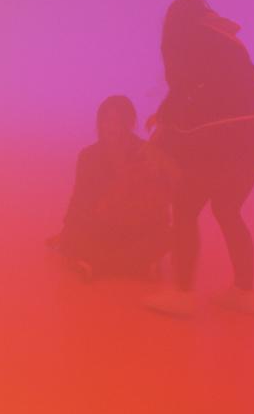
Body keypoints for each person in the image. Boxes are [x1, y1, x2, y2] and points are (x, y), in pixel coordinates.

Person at [143, 0, 254, 317]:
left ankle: (183, 294)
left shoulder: (183, 35)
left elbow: (185, 85)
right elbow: (219, 85)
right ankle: (244, 292)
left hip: (221, 136)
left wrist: (164, 119)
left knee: (184, 209)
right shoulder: (228, 39)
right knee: (228, 210)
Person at [48, 94, 169, 280]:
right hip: (101, 228)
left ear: (129, 124)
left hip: (137, 228)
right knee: (74, 238)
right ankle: (136, 268)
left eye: (118, 121)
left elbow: (158, 202)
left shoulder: (147, 153)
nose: (112, 127)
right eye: (106, 121)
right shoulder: (88, 156)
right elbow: (79, 199)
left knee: (164, 236)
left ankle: (97, 266)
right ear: (99, 123)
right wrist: (68, 230)